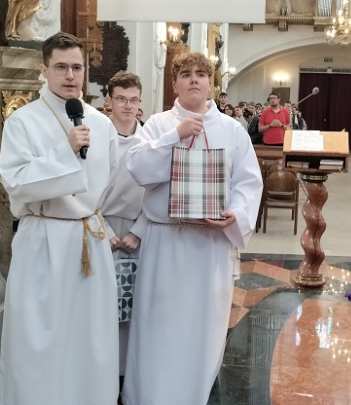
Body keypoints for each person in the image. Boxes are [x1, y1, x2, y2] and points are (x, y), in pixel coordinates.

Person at [123, 51, 263, 405]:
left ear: (211, 83)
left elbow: (248, 182)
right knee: (158, 324)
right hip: (165, 242)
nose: (194, 79)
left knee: (203, 326)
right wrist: (175, 135)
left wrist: (235, 215)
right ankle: (150, 397)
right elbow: (138, 169)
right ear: (175, 83)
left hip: (208, 244)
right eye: (186, 74)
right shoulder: (158, 124)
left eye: (202, 73)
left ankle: (193, 396)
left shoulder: (232, 130)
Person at [0, 32, 119, 405]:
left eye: (77, 68)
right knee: (39, 343)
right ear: (44, 69)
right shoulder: (22, 121)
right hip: (43, 242)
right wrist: (65, 152)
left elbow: (111, 179)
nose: (70, 75)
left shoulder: (101, 123)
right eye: (61, 67)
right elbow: (16, 183)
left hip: (89, 242)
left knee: (90, 341)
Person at [100, 70, 147, 386]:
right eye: (121, 99)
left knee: (132, 306)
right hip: (99, 229)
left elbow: (157, 193)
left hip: (136, 233)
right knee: (102, 305)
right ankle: (101, 374)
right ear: (109, 101)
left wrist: (137, 232)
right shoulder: (97, 139)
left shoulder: (150, 143)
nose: (128, 106)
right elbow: (84, 189)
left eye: (133, 100)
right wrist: (103, 231)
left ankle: (125, 376)